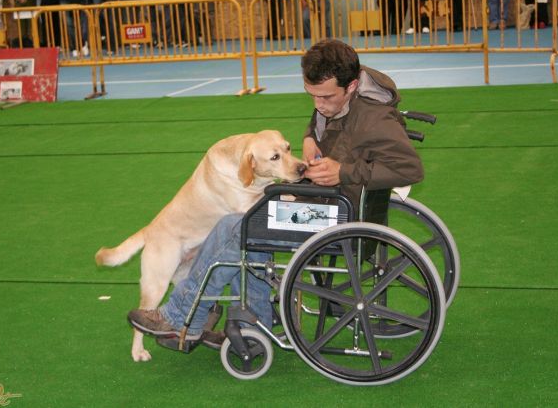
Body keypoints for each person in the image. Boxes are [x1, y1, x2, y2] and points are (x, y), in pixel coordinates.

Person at [128, 39, 423, 346]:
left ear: (351, 86)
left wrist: (343, 171)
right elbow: (323, 123)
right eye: (312, 96)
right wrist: (311, 139)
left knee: (235, 226)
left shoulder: (374, 118)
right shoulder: (343, 96)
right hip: (325, 200)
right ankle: (258, 322)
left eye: (325, 97)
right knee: (253, 220)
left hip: (335, 214)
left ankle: (180, 317)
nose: (318, 105)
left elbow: (410, 169)